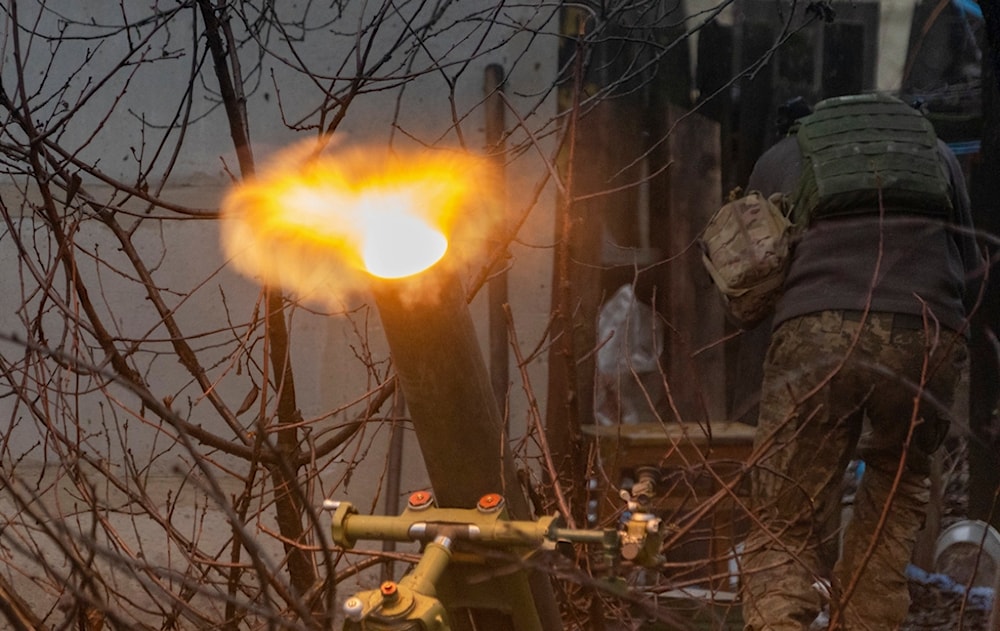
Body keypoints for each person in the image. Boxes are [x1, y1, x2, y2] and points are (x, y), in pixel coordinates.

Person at [739, 93, 982, 630]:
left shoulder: (782, 156)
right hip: (925, 333)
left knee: (785, 517)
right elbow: (971, 273)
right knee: (896, 490)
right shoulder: (937, 153)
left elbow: (746, 280)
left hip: (816, 333)